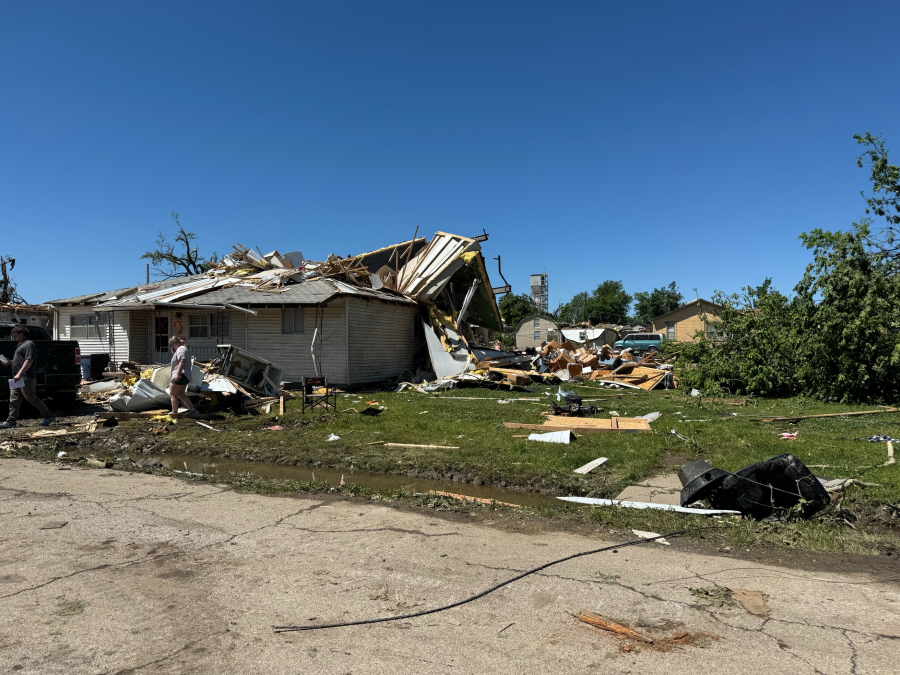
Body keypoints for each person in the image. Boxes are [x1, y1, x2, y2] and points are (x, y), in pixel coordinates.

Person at [1, 326, 54, 429]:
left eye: (15, 336)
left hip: (26, 378)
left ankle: (48, 416)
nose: (13, 338)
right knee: (14, 400)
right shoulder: (20, 345)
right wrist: (10, 363)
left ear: (22, 334)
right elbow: (21, 361)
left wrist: (20, 373)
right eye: (13, 336)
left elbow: (29, 360)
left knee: (31, 398)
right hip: (17, 379)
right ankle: (11, 421)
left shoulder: (29, 344)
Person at [168, 336, 200, 417]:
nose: (171, 346)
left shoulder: (181, 349)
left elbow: (182, 361)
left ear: (175, 343)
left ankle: (174, 413)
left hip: (180, 375)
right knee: (181, 394)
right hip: (185, 375)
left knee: (173, 394)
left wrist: (177, 374)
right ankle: (192, 410)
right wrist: (173, 352)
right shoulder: (182, 348)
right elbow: (178, 359)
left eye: (171, 344)